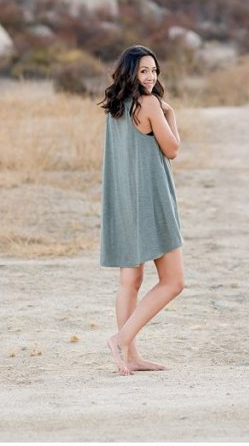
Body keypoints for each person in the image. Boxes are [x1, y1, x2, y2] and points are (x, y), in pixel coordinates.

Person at [99, 45, 184, 376]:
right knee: (174, 281)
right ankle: (122, 339)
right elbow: (173, 149)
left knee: (130, 281)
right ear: (131, 72)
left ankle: (130, 356)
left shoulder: (115, 107)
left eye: (154, 71)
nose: (151, 77)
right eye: (144, 71)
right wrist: (170, 112)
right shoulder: (149, 104)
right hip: (151, 199)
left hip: (123, 200)